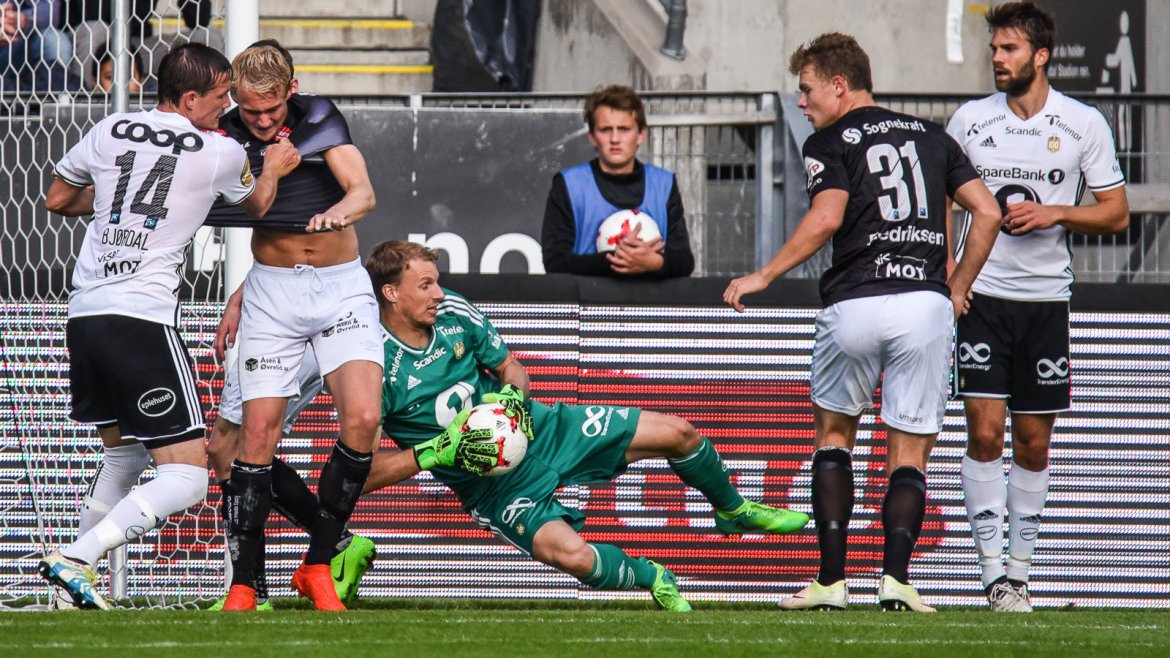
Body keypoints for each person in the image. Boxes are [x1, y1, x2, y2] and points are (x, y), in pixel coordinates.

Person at [361, 239, 809, 612]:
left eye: (438, 281)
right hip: (492, 487)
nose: (440, 292)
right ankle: (652, 575)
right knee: (574, 556)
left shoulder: (455, 310)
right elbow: (357, 477)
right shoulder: (373, 365)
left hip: (543, 430)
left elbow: (512, 368)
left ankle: (732, 509)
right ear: (391, 293)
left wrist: (514, 399)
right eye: (426, 285)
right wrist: (434, 452)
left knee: (679, 432)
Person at [723, 33, 1003, 612]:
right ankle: (896, 580)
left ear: (838, 85)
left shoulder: (829, 140)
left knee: (833, 438)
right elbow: (988, 210)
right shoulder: (933, 134)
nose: (802, 103)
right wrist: (957, 287)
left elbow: (827, 218)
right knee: (909, 453)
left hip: (854, 300)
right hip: (922, 306)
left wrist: (765, 275)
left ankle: (830, 582)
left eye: (806, 90)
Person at [37, 41, 299, 610]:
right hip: (141, 318)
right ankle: (77, 558)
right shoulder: (220, 151)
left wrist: (116, 203)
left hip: (85, 316)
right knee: (190, 477)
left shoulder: (111, 129)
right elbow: (257, 207)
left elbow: (57, 197)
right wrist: (273, 166)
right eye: (222, 96)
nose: (227, 106)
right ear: (188, 98)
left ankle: (65, 593)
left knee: (124, 457)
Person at [945, 1, 1129, 613]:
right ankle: (994, 576)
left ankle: (1021, 575)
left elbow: (1116, 211)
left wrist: (1057, 211)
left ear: (1040, 55)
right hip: (983, 297)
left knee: (1032, 442)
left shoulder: (1082, 124)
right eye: (994, 49)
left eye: (1009, 49)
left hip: (1046, 301)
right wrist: (951, 270)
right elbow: (947, 202)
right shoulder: (970, 120)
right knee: (984, 432)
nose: (996, 59)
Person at [203, 39, 381, 612]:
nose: (260, 121)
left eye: (272, 111)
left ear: (292, 92)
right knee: (254, 436)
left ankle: (319, 563)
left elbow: (363, 191)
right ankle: (245, 585)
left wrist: (340, 212)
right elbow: (234, 212)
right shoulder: (224, 136)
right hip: (274, 290)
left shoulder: (322, 117)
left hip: (339, 284)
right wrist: (243, 290)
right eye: (250, 110)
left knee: (363, 417)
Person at [204, 288, 375, 610]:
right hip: (295, 313)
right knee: (236, 450)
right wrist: (237, 303)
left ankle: (255, 591)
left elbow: (292, 256)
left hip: (293, 320)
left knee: (230, 448)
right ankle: (254, 590)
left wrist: (237, 302)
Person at [541, 84, 694, 278]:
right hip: (589, 303)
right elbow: (555, 262)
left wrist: (656, 263)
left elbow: (684, 261)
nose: (615, 138)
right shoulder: (569, 185)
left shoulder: (663, 184)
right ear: (592, 137)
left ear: (641, 135)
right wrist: (620, 258)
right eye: (605, 129)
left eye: (624, 129)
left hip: (648, 305)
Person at [1, 0, 70, 93]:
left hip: (16, 47)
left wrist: (24, 20)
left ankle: (58, 101)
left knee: (54, 40)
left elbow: (49, 9)